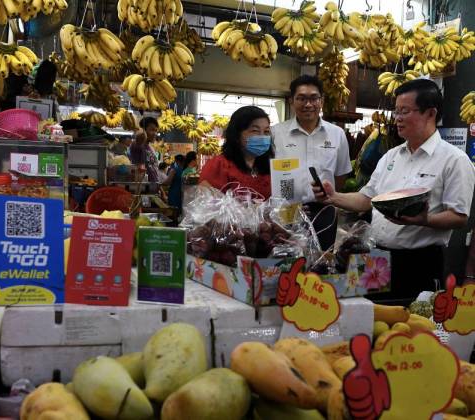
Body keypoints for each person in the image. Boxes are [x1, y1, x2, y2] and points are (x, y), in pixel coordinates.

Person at [312, 79, 475, 302]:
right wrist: (333, 197)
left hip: (419, 262)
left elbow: (459, 217)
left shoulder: (454, 160)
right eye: (396, 111)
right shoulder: (390, 156)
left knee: (408, 327)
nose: (397, 118)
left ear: (430, 113)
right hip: (375, 256)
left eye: (404, 111)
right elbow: (366, 199)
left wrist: (422, 220)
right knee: (369, 318)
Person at [271, 75, 352, 251]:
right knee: (286, 261)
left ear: (321, 101)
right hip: (286, 210)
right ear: (292, 101)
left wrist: (329, 198)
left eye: (314, 98)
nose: (308, 104)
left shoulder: (337, 134)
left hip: (324, 210)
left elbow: (341, 175)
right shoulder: (276, 133)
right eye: (301, 98)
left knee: (321, 262)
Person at [200, 106, 274, 199]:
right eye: (255, 130)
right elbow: (205, 206)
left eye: (266, 131)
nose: (262, 137)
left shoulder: (269, 166)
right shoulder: (218, 166)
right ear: (236, 135)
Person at [130, 116, 160, 182]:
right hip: (142, 187)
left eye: (156, 130)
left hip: (152, 187)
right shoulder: (137, 145)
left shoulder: (150, 147)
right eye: (152, 130)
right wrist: (140, 135)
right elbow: (138, 141)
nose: (155, 134)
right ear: (143, 130)